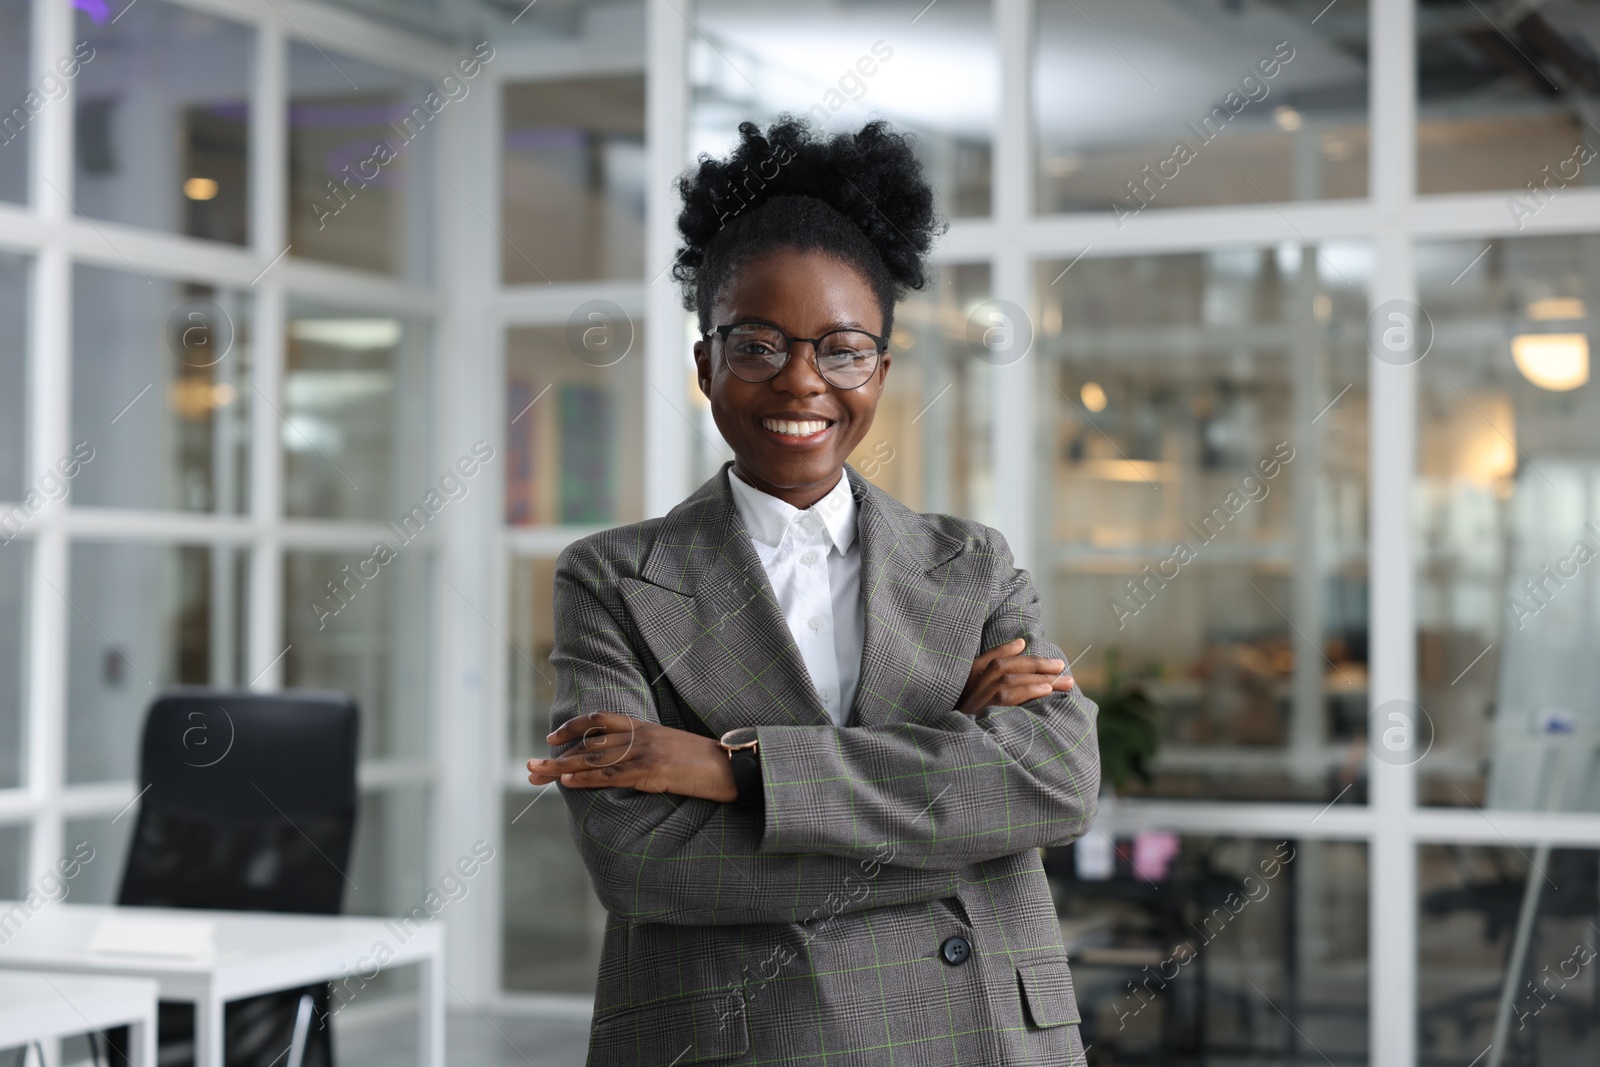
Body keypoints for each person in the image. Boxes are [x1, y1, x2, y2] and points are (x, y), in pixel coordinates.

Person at [527, 117, 1100, 1066]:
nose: (802, 381)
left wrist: (736, 771)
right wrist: (949, 799)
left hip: (981, 1037)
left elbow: (1052, 784)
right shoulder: (613, 577)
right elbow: (641, 862)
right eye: (757, 343)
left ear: (879, 367)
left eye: (842, 348)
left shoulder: (974, 564)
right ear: (705, 364)